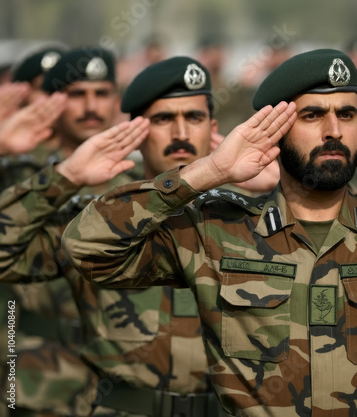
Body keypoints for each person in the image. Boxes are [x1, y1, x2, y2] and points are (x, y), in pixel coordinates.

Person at [63, 48, 357, 416]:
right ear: (275, 129)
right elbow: (86, 246)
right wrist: (209, 172)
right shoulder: (217, 230)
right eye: (312, 115)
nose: (333, 131)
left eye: (347, 114)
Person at [0, 55, 278, 416]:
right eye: (163, 119)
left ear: (212, 127)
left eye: (193, 117)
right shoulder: (99, 222)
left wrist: (277, 192)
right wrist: (64, 176)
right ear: (136, 129)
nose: (180, 134)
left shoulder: (247, 217)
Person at [0, 46, 137, 417]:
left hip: (119, 382)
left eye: (101, 93)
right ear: (55, 101)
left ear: (116, 100)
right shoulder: (19, 175)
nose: (90, 106)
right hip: (35, 370)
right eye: (77, 94)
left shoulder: (141, 186)